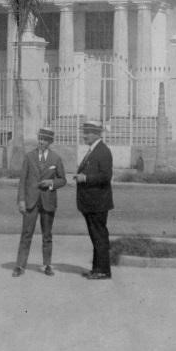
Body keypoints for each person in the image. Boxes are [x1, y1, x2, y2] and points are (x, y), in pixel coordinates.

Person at [12, 127, 66, 277]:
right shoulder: (29, 157)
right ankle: (20, 266)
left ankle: (47, 264)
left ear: (50, 142)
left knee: (47, 234)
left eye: (45, 140)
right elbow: (22, 180)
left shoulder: (56, 158)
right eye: (40, 139)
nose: (42, 142)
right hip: (31, 201)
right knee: (26, 233)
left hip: (48, 202)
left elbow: (63, 180)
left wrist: (51, 183)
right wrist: (21, 200)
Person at [73, 120, 114, 280]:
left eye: (87, 132)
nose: (84, 136)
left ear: (96, 134)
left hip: (98, 203)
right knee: (96, 236)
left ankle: (103, 271)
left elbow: (106, 176)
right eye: (84, 132)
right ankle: (97, 269)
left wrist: (86, 178)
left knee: (99, 237)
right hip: (91, 202)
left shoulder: (102, 151)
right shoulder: (94, 150)